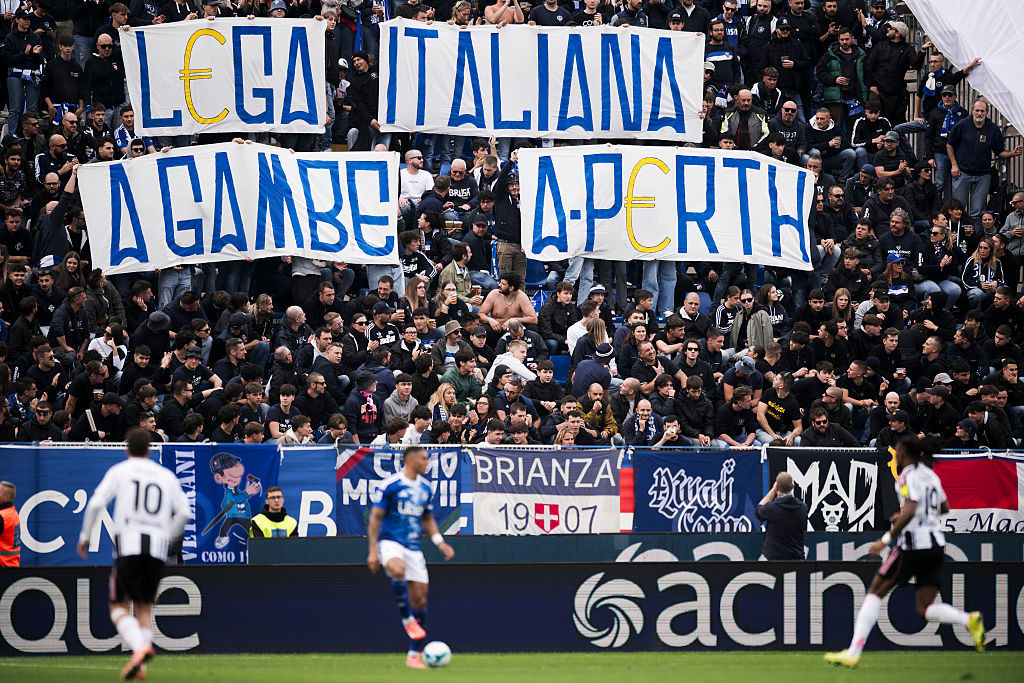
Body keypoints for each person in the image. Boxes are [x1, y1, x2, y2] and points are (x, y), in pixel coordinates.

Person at [825, 435, 986, 668]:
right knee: (924, 609)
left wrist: (887, 538)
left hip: (913, 546)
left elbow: (910, 508)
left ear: (904, 453)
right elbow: (943, 507)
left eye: (897, 450)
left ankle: (853, 651)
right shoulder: (930, 475)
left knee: (874, 592)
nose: (895, 454)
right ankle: (968, 618)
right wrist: (914, 516)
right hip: (936, 545)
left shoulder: (906, 476)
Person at [76, 428, 191, 681]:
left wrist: (85, 537)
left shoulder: (120, 471)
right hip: (157, 550)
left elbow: (96, 503)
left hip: (128, 546)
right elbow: (184, 512)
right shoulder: (165, 475)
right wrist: (167, 536)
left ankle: (140, 648)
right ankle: (141, 668)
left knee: (118, 607)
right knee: (144, 608)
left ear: (127, 449)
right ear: (150, 450)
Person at [367, 446, 455, 670]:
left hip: (414, 547)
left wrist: (439, 542)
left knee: (420, 600)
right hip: (390, 542)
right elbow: (376, 518)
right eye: (424, 458)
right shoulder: (391, 485)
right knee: (397, 571)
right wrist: (373, 550)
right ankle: (408, 622)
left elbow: (427, 518)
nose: (427, 462)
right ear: (411, 459)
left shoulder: (425, 487)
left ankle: (414, 655)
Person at [755, 472, 808, 560]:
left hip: (774, 560)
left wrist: (773, 490)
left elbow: (758, 511)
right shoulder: (802, 508)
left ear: (776, 487)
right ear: (793, 486)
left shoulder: (770, 508)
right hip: (796, 559)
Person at [0, 480, 20, 566]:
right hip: (11, 564)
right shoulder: (11, 511)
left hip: (3, 565)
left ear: (6, 498)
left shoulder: (3, 516)